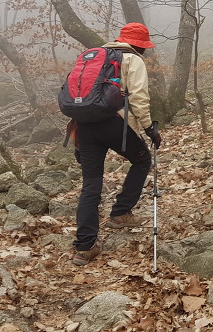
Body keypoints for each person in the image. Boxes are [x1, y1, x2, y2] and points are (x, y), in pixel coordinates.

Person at [71, 22, 163, 266]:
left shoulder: (95, 57)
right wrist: (149, 129)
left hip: (85, 126)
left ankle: (84, 247)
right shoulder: (132, 60)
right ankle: (120, 212)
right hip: (114, 123)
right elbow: (139, 97)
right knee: (142, 160)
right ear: (139, 46)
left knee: (91, 184)